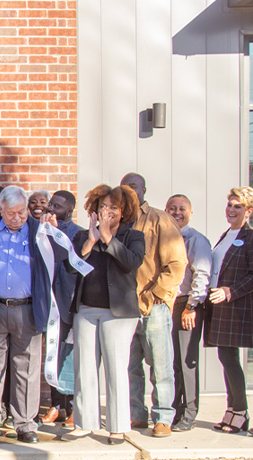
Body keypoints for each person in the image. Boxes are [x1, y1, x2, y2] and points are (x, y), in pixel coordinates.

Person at [0, 185, 59, 444]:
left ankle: (25, 424)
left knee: (27, 369)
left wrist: (53, 233)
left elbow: (62, 262)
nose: (17, 218)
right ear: (2, 211)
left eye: (21, 212)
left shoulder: (39, 230)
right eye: (11, 214)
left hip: (29, 309)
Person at [59, 184, 145, 445]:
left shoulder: (133, 236)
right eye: (102, 206)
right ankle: (85, 423)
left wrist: (108, 238)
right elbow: (70, 267)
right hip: (86, 309)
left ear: (124, 211)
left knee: (116, 367)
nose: (106, 211)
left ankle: (118, 426)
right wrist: (91, 242)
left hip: (118, 314)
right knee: (84, 366)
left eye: (113, 207)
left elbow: (132, 262)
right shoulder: (83, 236)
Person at [120, 173, 187, 438]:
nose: (129, 191)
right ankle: (137, 414)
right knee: (130, 365)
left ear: (144, 190)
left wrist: (154, 296)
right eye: (125, 187)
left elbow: (176, 264)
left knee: (160, 365)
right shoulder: (118, 220)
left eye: (134, 186)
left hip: (154, 305)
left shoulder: (159, 219)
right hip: (124, 308)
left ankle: (163, 416)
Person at [204, 186, 253, 434]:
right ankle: (234, 410)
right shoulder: (226, 235)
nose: (231, 209)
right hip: (220, 308)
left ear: (249, 211)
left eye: (238, 206)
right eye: (230, 205)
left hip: (239, 307)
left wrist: (229, 291)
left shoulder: (251, 236)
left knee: (231, 360)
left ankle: (240, 412)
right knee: (227, 358)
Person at [164, 194, 212, 432]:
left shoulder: (195, 240)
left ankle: (189, 414)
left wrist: (192, 306)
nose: (177, 212)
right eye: (172, 208)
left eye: (182, 208)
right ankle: (176, 410)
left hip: (186, 306)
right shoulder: (166, 238)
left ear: (190, 213)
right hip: (169, 304)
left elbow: (202, 275)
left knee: (186, 362)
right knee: (172, 362)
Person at [39, 190, 84, 427]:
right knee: (52, 356)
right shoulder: (41, 231)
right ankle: (56, 406)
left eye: (57, 206)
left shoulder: (78, 235)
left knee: (70, 357)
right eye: (50, 205)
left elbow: (75, 265)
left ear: (69, 210)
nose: (51, 209)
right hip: (47, 303)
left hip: (68, 304)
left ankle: (74, 407)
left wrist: (55, 232)